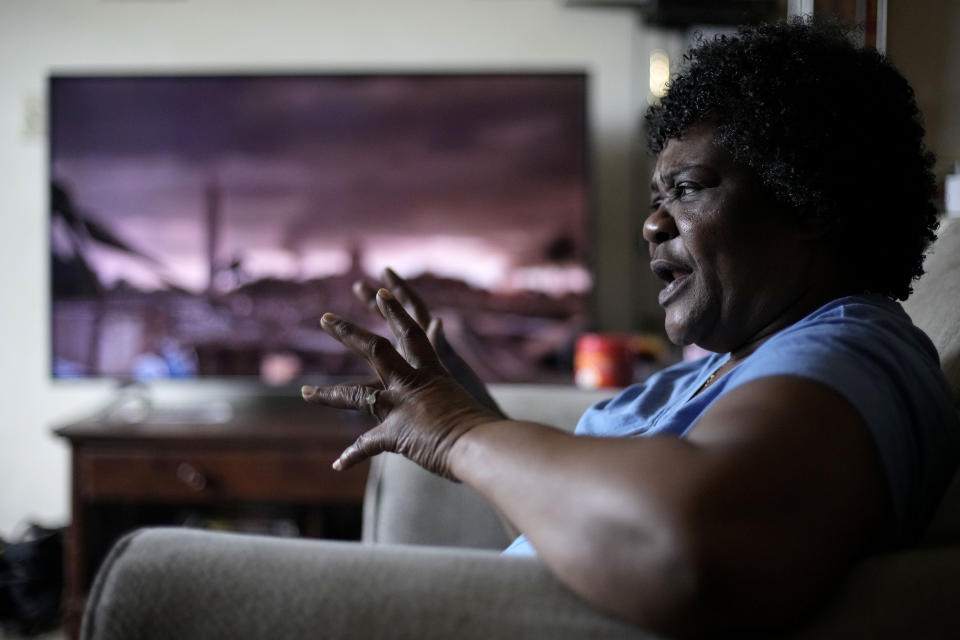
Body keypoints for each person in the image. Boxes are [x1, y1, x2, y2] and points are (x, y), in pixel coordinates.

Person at [301, 19, 960, 637]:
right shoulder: (739, 361)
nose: (651, 225)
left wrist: (458, 433)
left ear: (806, 201)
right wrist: (469, 405)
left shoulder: (849, 349)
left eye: (691, 188)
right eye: (655, 200)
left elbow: (677, 543)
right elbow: (585, 533)